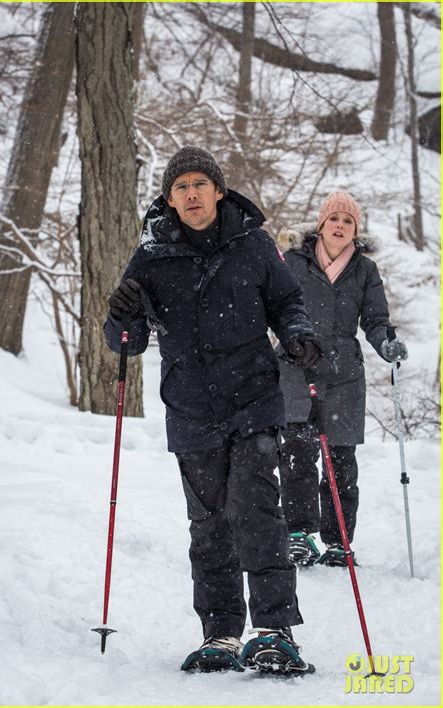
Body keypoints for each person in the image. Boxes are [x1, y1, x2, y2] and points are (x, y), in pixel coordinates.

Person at [104, 146, 322, 675]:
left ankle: (274, 631)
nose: (191, 194)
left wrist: (298, 335)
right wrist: (120, 316)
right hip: (191, 405)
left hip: (252, 397)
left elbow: (287, 303)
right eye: (180, 187)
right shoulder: (152, 255)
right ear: (169, 198)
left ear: (219, 191)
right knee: (208, 525)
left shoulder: (252, 244)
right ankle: (220, 633)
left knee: (255, 509)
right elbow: (127, 343)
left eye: (200, 184)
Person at [277, 191, 408, 568]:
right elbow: (275, 308)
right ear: (320, 225)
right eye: (333, 218)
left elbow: (375, 320)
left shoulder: (365, 270)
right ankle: (299, 534)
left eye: (347, 221)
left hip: (344, 374)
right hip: (296, 366)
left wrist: (386, 343)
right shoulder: (293, 262)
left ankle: (338, 542)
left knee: (340, 461)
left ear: (355, 230)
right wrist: (292, 341)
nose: (339, 225)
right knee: (298, 454)